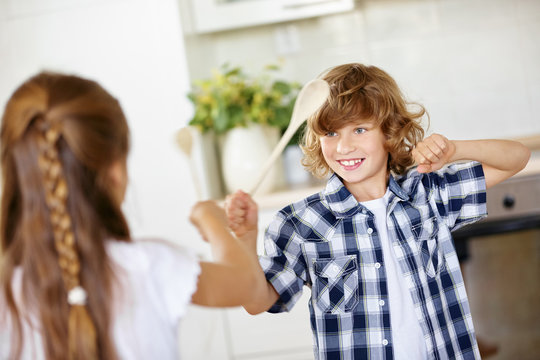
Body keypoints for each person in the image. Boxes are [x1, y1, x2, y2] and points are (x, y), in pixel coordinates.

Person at [225, 63, 531, 359]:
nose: (343, 147)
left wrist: (455, 151)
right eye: (331, 133)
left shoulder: (427, 195)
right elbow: (257, 302)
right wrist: (246, 238)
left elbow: (517, 158)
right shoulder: (299, 223)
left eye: (359, 129)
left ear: (389, 132)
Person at [0, 72, 266, 360]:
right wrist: (211, 220)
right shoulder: (149, 267)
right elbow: (248, 284)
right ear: (115, 170)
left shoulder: (7, 286)